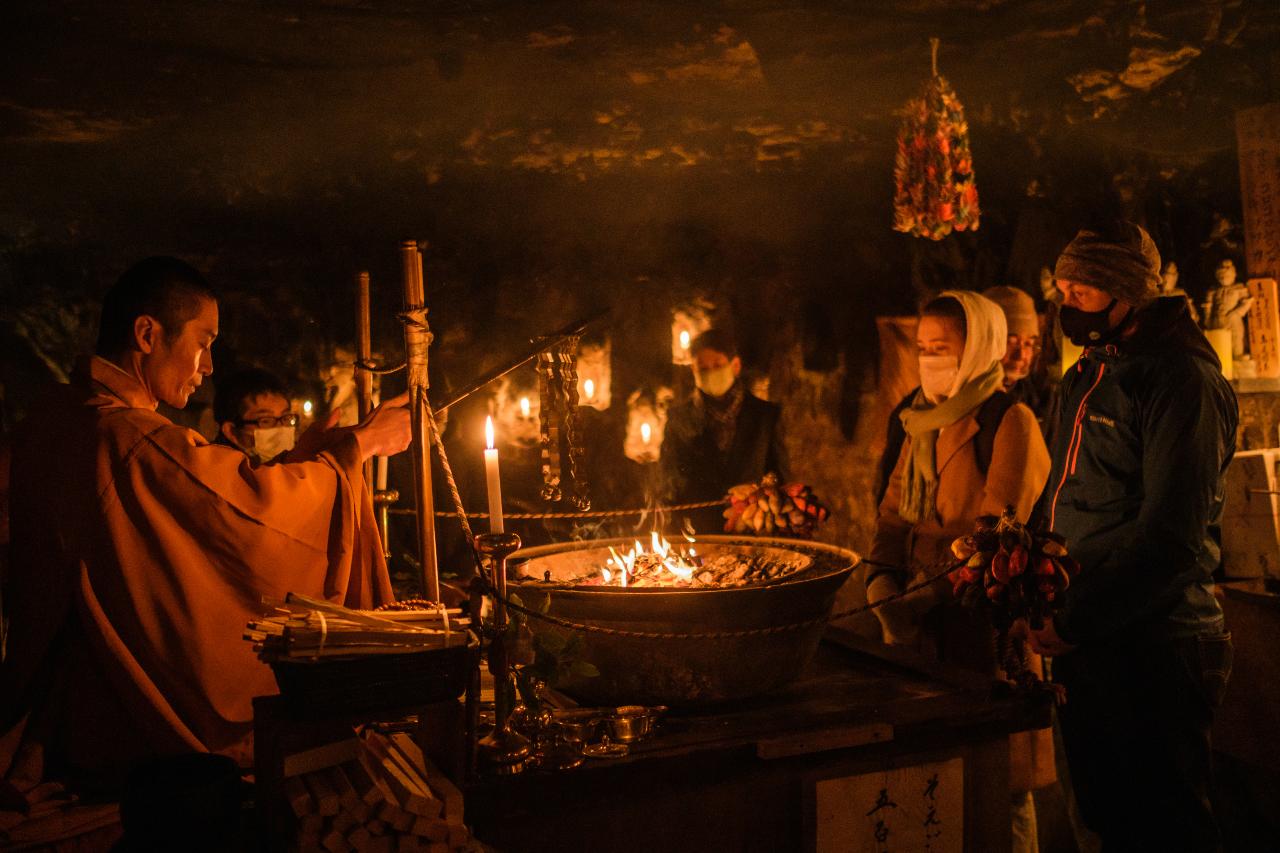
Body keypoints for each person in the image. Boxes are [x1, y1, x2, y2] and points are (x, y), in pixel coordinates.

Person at [0, 257, 411, 791]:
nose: (209, 365)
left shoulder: (59, 414)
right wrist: (358, 449)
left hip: (66, 710)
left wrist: (301, 463)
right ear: (147, 334)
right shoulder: (120, 438)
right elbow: (244, 516)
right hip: (115, 729)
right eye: (203, 340)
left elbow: (205, 497)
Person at [1024, 221, 1236, 852]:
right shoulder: (1088, 373)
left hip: (1156, 645)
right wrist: (1022, 571)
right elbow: (1061, 491)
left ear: (1127, 295)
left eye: (1082, 294)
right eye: (1062, 291)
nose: (1067, 307)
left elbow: (1172, 539)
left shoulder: (1182, 382)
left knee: (1165, 830)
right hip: (1090, 639)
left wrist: (1077, 618)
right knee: (1106, 819)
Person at [862, 291, 1053, 853]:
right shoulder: (918, 420)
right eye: (922, 348)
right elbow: (893, 517)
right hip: (918, 634)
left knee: (998, 792)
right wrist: (880, 584)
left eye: (941, 349)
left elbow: (995, 535)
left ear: (978, 350)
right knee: (933, 796)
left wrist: (918, 601)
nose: (928, 361)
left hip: (984, 629)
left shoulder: (1009, 421)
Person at [661, 329, 787, 534]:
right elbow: (668, 479)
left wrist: (766, 497)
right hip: (697, 534)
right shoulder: (679, 418)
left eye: (717, 365)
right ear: (693, 369)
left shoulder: (765, 416)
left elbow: (780, 475)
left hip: (752, 529)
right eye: (703, 367)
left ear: (735, 366)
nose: (711, 372)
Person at [212, 367, 299, 460]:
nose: (281, 428)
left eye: (285, 418)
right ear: (231, 431)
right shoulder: (215, 472)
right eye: (266, 421)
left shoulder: (298, 466)